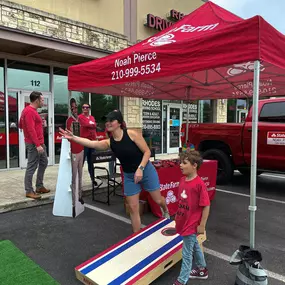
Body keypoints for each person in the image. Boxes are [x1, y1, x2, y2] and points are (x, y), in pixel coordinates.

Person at [59, 110, 170, 232]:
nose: (108, 123)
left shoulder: (132, 134)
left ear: (119, 123)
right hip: (129, 175)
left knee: (158, 200)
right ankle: (136, 236)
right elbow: (91, 143)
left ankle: (165, 209)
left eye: (111, 120)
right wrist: (74, 137)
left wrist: (140, 169)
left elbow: (147, 152)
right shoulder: (109, 142)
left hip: (146, 170)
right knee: (133, 208)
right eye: (107, 121)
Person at [173, 150, 210, 285]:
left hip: (192, 224)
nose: (180, 165)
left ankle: (182, 280)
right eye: (180, 163)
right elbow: (181, 202)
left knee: (186, 253)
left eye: (184, 163)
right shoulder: (182, 180)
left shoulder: (199, 184)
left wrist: (202, 225)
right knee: (195, 245)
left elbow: (206, 205)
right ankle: (202, 269)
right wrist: (178, 216)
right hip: (183, 220)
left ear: (194, 165)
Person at [19, 91, 50, 200]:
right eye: (42, 100)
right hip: (34, 144)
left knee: (44, 162)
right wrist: (37, 145)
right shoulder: (29, 112)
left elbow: (20, 125)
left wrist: (41, 123)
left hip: (39, 142)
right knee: (32, 166)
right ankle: (29, 190)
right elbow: (31, 130)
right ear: (36, 100)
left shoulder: (29, 111)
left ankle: (39, 186)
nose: (43, 102)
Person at [66, 99, 84, 217]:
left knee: (80, 175)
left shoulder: (81, 119)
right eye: (73, 108)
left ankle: (80, 197)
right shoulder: (69, 121)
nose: (75, 110)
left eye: (76, 107)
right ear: (70, 109)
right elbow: (68, 136)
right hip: (74, 151)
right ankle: (73, 203)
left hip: (81, 149)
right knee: (73, 177)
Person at [78, 103, 97, 185]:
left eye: (87, 107)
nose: (85, 109)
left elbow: (95, 125)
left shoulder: (92, 117)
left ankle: (93, 179)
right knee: (81, 162)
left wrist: (91, 125)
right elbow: (85, 124)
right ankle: (78, 180)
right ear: (82, 109)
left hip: (92, 142)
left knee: (91, 162)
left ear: (89, 108)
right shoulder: (80, 117)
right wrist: (91, 124)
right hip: (84, 142)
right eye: (83, 107)